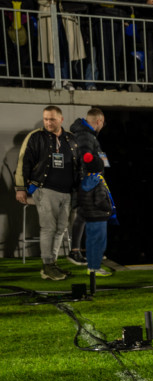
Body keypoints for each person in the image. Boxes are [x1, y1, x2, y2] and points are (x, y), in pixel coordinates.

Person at [15, 105, 81, 281]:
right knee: (48, 228)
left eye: (52, 119)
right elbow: (24, 161)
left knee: (60, 229)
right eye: (45, 119)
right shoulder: (36, 137)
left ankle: (52, 264)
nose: (48, 122)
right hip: (45, 189)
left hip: (67, 191)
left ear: (61, 119)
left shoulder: (71, 139)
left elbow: (79, 164)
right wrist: (21, 188)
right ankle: (47, 264)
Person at [67, 107, 106, 266]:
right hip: (87, 181)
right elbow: (86, 159)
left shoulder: (87, 135)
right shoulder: (85, 136)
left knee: (86, 215)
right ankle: (75, 251)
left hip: (88, 180)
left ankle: (82, 250)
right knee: (84, 214)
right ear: (99, 121)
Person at [77, 151, 114, 278]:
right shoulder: (98, 182)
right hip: (100, 217)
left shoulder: (84, 181)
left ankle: (91, 267)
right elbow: (100, 200)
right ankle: (96, 267)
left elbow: (80, 199)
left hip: (89, 217)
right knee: (100, 243)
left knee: (90, 243)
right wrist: (109, 209)